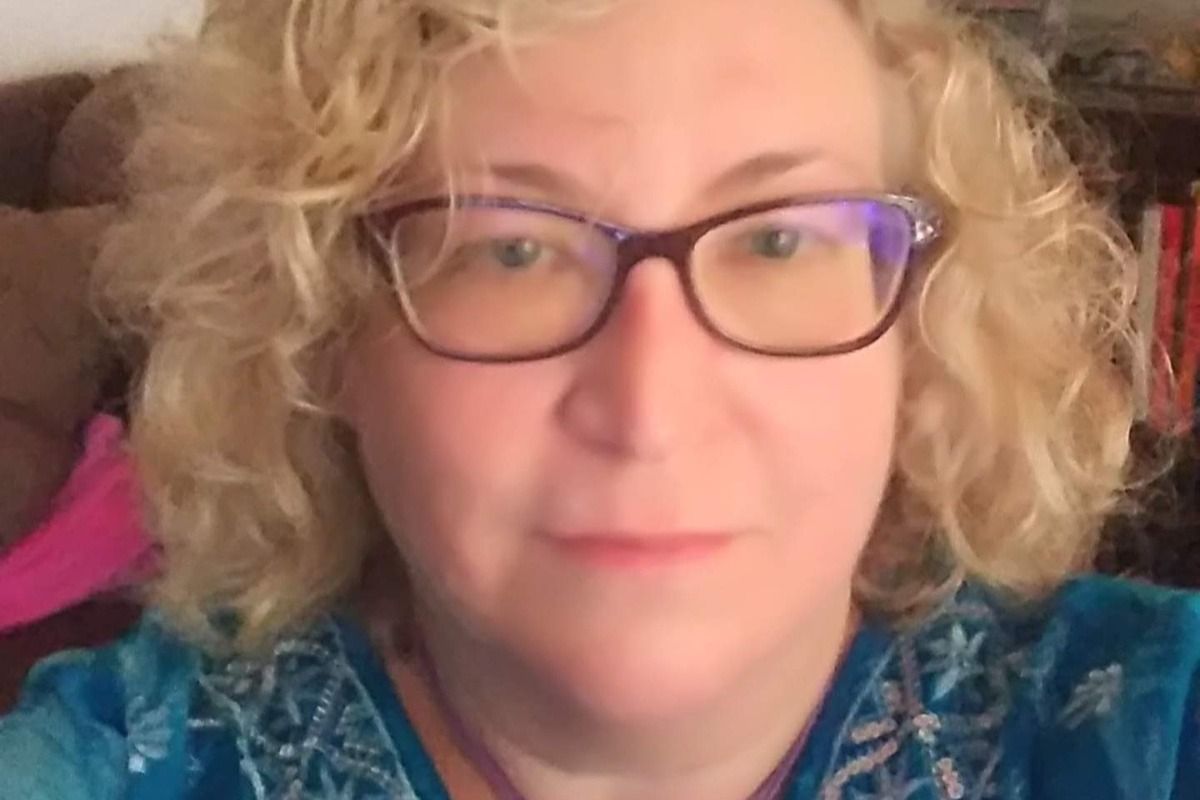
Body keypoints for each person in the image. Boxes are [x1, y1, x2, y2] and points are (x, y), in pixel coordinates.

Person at [1, 0, 1197, 797]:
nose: (650, 408)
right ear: (322, 337)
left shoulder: (1151, 721)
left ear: (920, 338)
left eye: (778, 240)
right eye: (509, 249)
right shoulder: (113, 758)